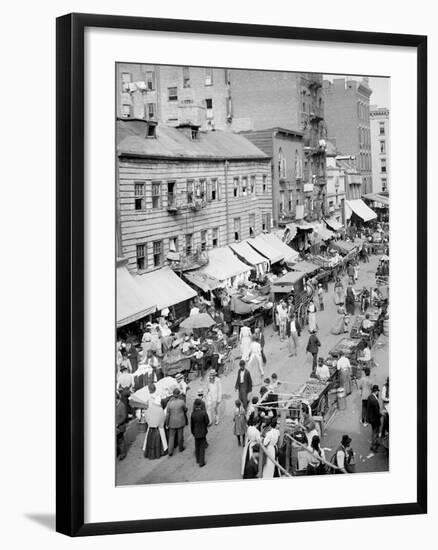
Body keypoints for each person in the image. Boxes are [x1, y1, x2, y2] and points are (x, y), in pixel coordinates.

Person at [143, 394, 168, 459]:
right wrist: (161, 425)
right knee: (159, 442)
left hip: (150, 428)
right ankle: (158, 453)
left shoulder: (149, 408)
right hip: (158, 429)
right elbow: (162, 419)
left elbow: (146, 415)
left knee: (149, 442)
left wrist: (150, 423)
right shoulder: (160, 409)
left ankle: (149, 454)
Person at [165, 388, 188, 456]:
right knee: (180, 435)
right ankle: (181, 448)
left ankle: (170, 451)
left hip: (172, 421)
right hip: (180, 421)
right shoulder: (181, 402)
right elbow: (185, 409)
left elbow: (168, 414)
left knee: (171, 436)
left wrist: (167, 423)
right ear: (178, 394)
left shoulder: (169, 403)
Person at [190, 398, 209, 467]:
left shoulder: (193, 414)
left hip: (195, 432)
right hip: (203, 431)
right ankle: (201, 462)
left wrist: (193, 432)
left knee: (197, 446)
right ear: (200, 405)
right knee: (202, 447)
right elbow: (207, 422)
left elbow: (191, 425)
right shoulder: (203, 413)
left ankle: (197, 459)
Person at [367, 385, 382, 453]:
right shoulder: (374, 401)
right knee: (375, 432)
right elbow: (377, 413)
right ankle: (373, 446)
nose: (378, 393)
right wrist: (381, 414)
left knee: (375, 431)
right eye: (378, 391)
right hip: (375, 419)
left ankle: (376, 442)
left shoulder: (370, 397)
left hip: (371, 418)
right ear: (376, 392)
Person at [115, 392, 128, 460]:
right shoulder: (115, 405)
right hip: (116, 426)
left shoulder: (122, 405)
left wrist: (117, 423)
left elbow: (124, 417)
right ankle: (118, 452)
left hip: (120, 427)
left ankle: (123, 454)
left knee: (121, 440)